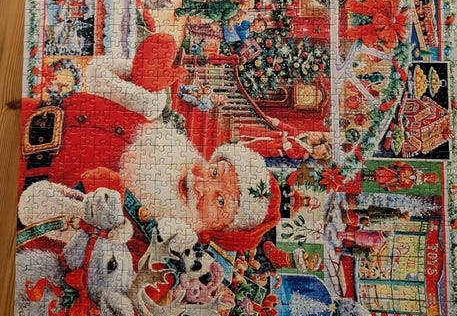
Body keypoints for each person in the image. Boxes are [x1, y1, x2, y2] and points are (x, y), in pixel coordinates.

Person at [19, 33, 281, 255]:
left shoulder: (143, 241)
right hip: (23, 114)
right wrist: (142, 81)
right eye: (214, 172)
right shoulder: (155, 134)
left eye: (220, 201)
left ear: (216, 230)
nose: (201, 184)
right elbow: (105, 80)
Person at [175, 0, 255, 24]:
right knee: (196, 12)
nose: (246, 9)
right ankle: (179, 12)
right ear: (244, 5)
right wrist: (224, 22)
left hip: (212, 5)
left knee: (198, 5)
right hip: (213, 13)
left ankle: (186, 2)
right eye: (247, 7)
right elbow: (224, 17)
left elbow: (221, 1)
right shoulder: (234, 10)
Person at [362, 162, 439, 191]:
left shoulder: (409, 184)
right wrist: (396, 165)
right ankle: (366, 173)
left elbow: (399, 187)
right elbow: (403, 164)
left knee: (380, 179)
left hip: (394, 180)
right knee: (380, 172)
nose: (426, 177)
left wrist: (390, 188)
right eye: (428, 175)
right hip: (393, 172)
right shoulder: (410, 169)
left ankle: (366, 177)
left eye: (428, 178)